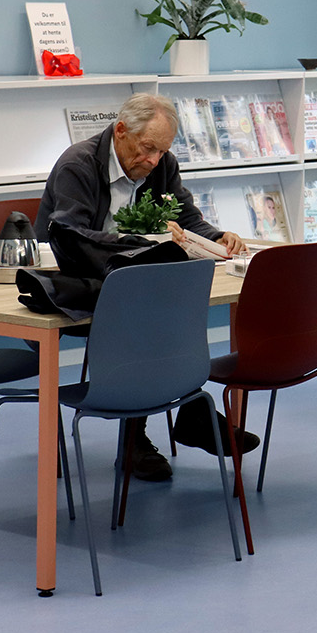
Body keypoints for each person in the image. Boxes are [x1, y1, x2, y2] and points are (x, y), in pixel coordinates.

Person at [35, 92, 256, 481]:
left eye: (162, 151)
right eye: (148, 148)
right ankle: (155, 430)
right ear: (121, 131)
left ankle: (181, 415)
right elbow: (69, 235)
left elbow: (185, 216)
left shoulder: (162, 164)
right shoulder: (78, 165)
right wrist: (144, 242)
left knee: (171, 305)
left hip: (130, 280)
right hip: (75, 281)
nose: (154, 161)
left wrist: (217, 237)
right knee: (150, 312)